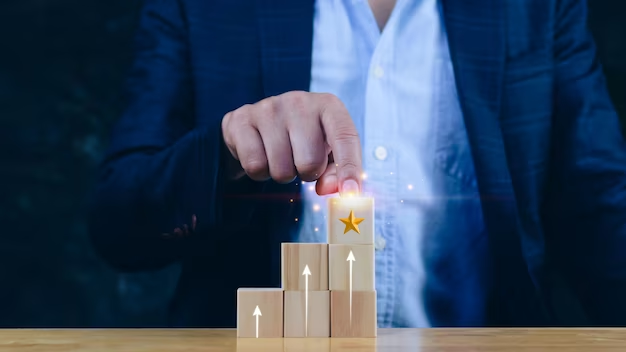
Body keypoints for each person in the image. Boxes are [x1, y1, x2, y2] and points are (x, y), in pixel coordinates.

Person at [89, 0, 626, 328]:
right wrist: (226, 155)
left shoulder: (539, 5)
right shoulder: (204, 7)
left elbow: (600, 207)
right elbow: (118, 223)